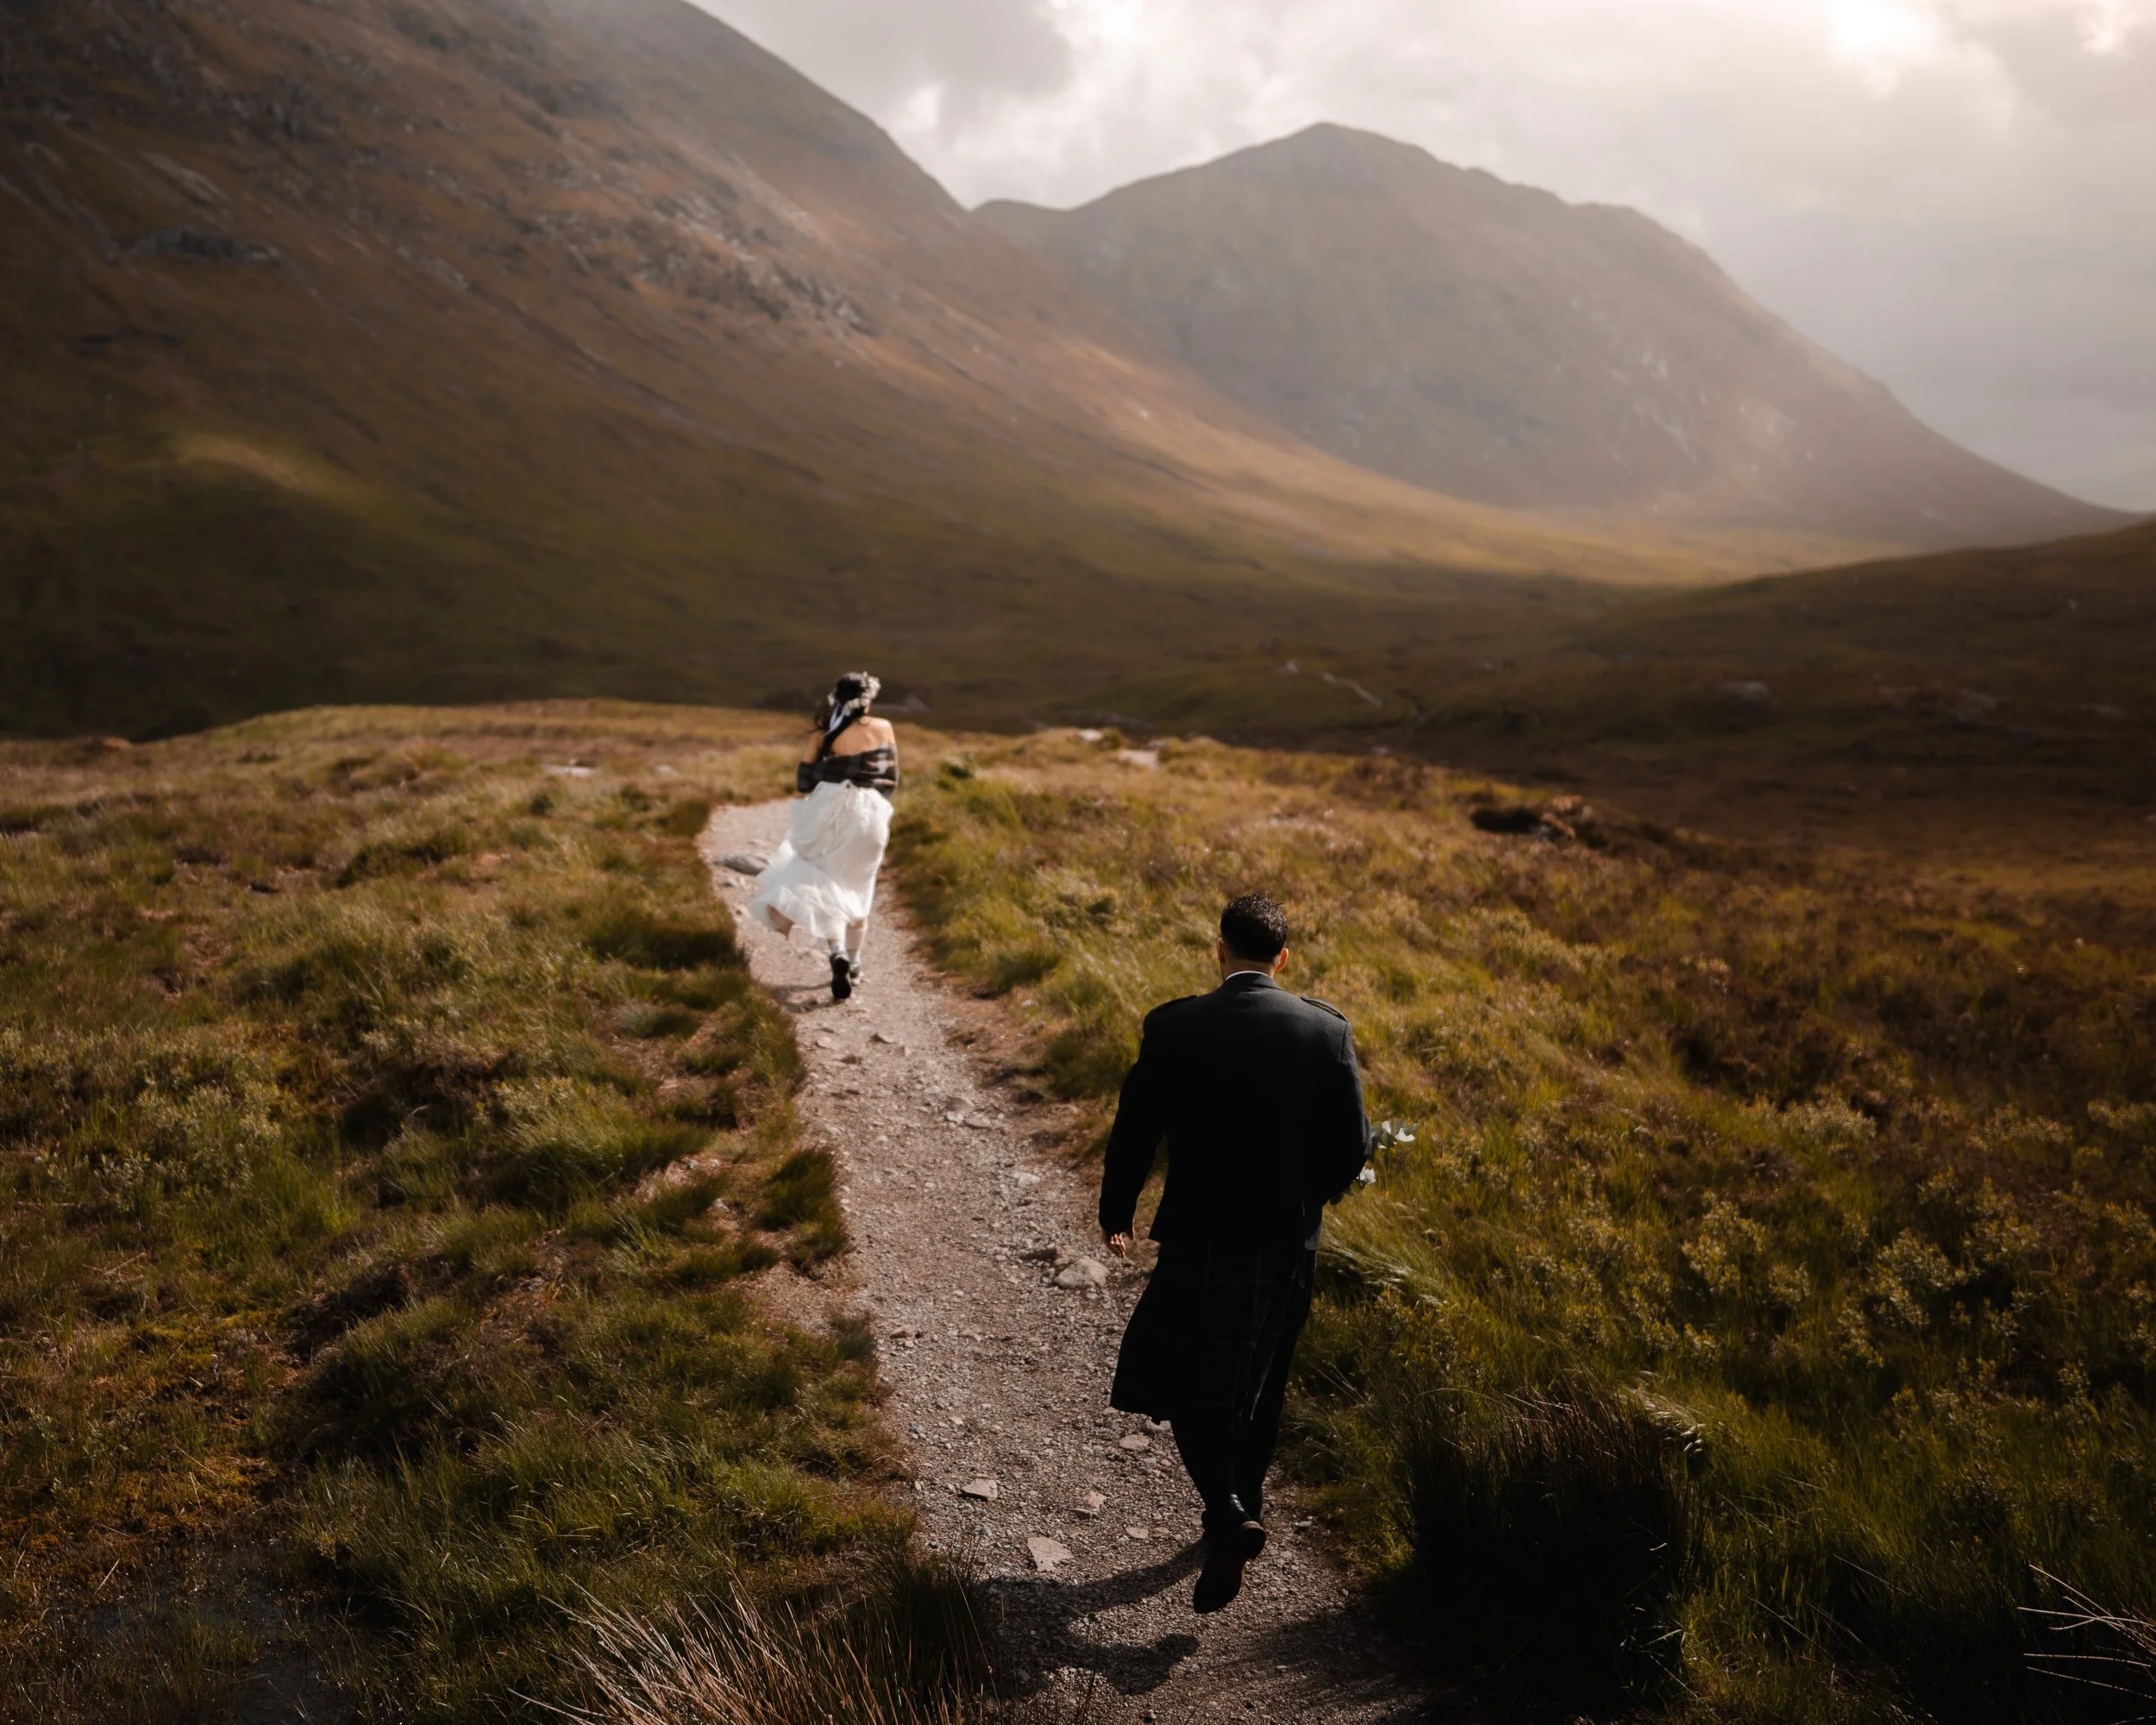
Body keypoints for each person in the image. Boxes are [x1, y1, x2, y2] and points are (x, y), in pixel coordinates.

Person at [1098, 892, 1371, 1614]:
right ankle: (1242, 1504)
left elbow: (1134, 1132)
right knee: (1263, 1382)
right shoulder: (1325, 1031)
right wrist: (1307, 1205)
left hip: (1200, 1236)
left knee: (1185, 1380)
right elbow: (1353, 1147)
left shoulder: (1175, 1024)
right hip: (1287, 1244)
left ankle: (1225, 1513)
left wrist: (1117, 1211)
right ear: (1283, 958)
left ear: (1219, 950)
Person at [747, 672, 899, 1000]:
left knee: (825, 883)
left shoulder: (822, 735)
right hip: (868, 813)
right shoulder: (884, 727)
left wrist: (832, 771)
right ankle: (855, 962)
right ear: (867, 699)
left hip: (827, 813)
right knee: (859, 885)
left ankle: (838, 953)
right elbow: (890, 777)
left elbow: (804, 781)